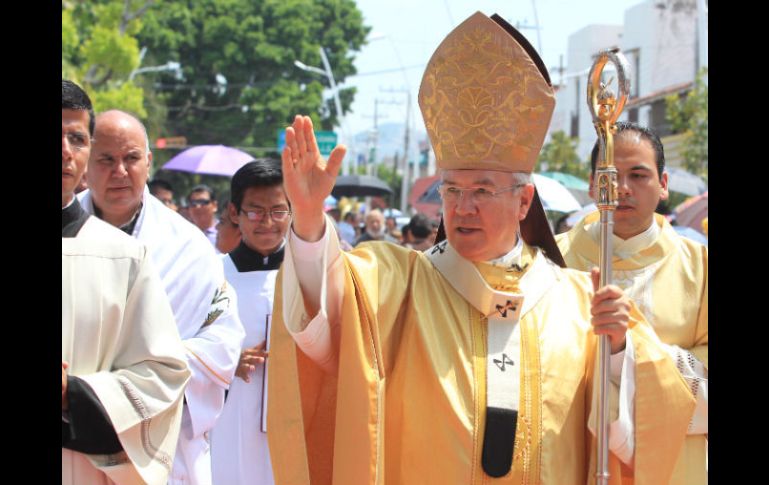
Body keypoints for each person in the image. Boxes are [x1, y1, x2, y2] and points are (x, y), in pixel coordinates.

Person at [268, 13, 694, 485]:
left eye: (483, 191)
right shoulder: (399, 284)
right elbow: (324, 323)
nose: (463, 207)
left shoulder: (577, 299)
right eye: (452, 190)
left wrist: (617, 350)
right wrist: (308, 219)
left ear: (523, 201)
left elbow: (636, 430)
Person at [79, 110, 245, 485]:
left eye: (131, 158)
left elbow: (221, 343)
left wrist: (145, 376)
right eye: (106, 159)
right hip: (73, 435)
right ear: (86, 161)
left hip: (163, 446)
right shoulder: (67, 234)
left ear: (149, 161)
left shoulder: (189, 247)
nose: (120, 171)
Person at [556, 122, 708, 484]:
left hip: (670, 467)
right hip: (572, 456)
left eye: (638, 175)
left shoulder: (700, 268)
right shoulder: (553, 261)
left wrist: (629, 351)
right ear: (593, 185)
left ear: (664, 184)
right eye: (610, 176)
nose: (622, 189)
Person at [62, 80, 190, 485]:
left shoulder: (125, 257)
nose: (64, 150)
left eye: (77, 138)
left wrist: (73, 394)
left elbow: (163, 377)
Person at [210, 159, 290, 485]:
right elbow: (180, 346)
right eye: (255, 211)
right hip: (229, 422)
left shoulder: (311, 276)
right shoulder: (212, 276)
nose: (267, 222)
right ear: (234, 213)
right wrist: (225, 363)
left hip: (292, 420)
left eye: (278, 211)